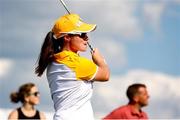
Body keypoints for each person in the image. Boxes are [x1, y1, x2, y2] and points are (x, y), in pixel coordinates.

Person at [35, 13, 110, 120]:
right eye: (82, 34)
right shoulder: (76, 63)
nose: (86, 38)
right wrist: (100, 61)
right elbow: (106, 75)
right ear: (66, 37)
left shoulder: (53, 61)